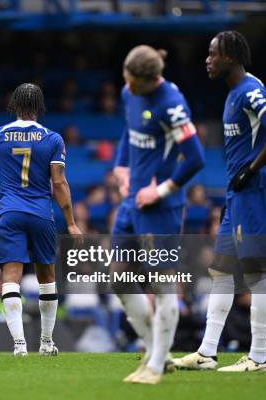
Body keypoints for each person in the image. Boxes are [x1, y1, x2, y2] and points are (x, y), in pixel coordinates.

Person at [174, 31, 266, 373]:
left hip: (255, 189)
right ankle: (207, 352)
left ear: (231, 56)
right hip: (238, 191)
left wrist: (250, 170)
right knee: (221, 270)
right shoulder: (234, 92)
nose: (207, 59)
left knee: (255, 272)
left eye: (213, 54)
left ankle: (258, 358)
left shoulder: (249, 91)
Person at [112, 45, 205, 384]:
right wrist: (122, 166)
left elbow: (195, 158)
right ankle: (157, 353)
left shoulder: (172, 106)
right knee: (118, 277)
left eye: (132, 80)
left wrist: (161, 190)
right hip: (131, 202)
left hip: (161, 208)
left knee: (163, 285)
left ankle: (154, 366)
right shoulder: (129, 92)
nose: (126, 84)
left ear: (150, 79)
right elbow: (129, 130)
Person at [0, 83, 81, 357]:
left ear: (13, 105)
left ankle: (19, 345)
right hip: (40, 214)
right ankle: (47, 343)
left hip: (9, 213)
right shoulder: (52, 138)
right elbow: (58, 183)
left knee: (10, 278)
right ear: (39, 107)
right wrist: (70, 221)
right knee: (46, 279)